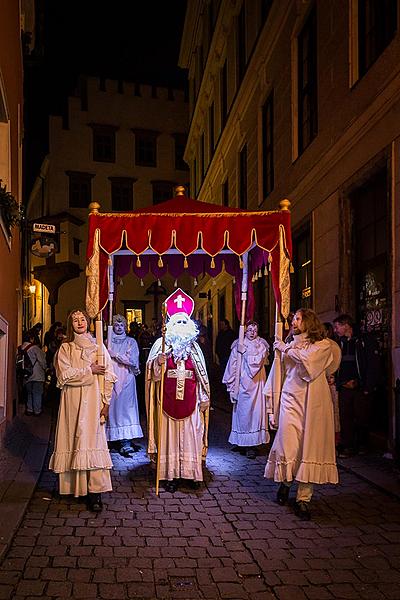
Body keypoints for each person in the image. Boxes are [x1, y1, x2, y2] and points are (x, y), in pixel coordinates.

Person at [264, 308, 341, 521]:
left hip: (314, 402)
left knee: (310, 446)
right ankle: (286, 482)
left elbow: (309, 362)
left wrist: (286, 350)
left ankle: (304, 498)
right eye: (293, 319)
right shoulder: (288, 345)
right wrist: (273, 407)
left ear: (308, 321)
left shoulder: (322, 345)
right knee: (289, 443)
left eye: (298, 318)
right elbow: (277, 376)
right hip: (290, 399)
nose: (294, 321)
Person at [49, 309, 116, 512]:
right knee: (74, 439)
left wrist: (106, 402)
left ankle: (95, 492)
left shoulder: (98, 348)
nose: (80, 322)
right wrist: (89, 370)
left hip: (94, 401)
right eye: (75, 320)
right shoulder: (66, 348)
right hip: (73, 402)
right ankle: (75, 487)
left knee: (93, 440)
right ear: (71, 325)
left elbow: (109, 376)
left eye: (83, 319)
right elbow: (64, 376)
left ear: (88, 323)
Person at [146, 289, 210, 493]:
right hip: (166, 403)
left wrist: (204, 397)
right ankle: (170, 474)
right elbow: (151, 374)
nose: (181, 327)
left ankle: (191, 474)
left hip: (191, 403)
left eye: (185, 323)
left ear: (190, 327)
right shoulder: (161, 345)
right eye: (177, 323)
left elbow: (202, 376)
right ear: (170, 326)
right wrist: (158, 361)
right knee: (169, 440)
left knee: (192, 436)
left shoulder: (195, 348)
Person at [333, 314, 380, 457]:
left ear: (346, 325)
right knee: (345, 417)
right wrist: (339, 381)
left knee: (362, 417)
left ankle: (363, 445)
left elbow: (372, 364)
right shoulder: (338, 344)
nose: (335, 330)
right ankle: (348, 446)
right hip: (344, 387)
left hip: (360, 387)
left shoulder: (363, 341)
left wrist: (367, 386)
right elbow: (336, 364)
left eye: (337, 326)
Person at [222, 321, 269, 458]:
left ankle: (252, 445)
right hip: (242, 383)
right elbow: (233, 364)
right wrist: (231, 386)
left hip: (256, 385)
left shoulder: (262, 345)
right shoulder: (238, 344)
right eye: (249, 330)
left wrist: (245, 353)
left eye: (255, 330)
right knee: (242, 413)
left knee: (255, 414)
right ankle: (241, 441)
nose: (252, 333)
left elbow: (257, 361)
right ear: (245, 331)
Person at [106, 314, 143, 457]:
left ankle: (125, 441)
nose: (119, 327)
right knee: (112, 409)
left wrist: (114, 354)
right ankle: (111, 439)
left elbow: (132, 360)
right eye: (116, 325)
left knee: (126, 410)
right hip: (111, 378)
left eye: (122, 325)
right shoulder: (107, 341)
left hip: (126, 379)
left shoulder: (130, 342)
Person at [21, 330, 47, 415]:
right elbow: (42, 362)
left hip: (26, 375)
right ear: (32, 339)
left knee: (29, 393)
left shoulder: (21, 348)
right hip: (37, 375)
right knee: (37, 393)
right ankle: (37, 411)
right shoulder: (35, 348)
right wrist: (45, 368)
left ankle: (29, 409)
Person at [324, 322, 342, 446]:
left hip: (332, 383)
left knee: (334, 412)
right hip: (324, 383)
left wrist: (334, 376)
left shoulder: (332, 345)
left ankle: (335, 440)